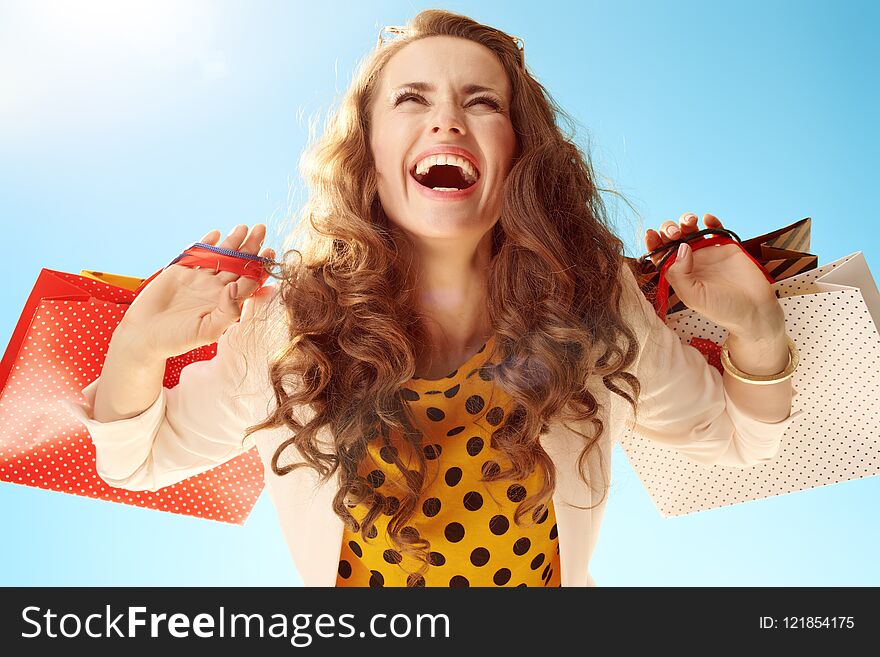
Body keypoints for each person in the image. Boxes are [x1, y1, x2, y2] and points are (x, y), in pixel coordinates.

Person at [63, 9, 801, 587]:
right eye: (410, 99)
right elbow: (138, 461)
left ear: (518, 151)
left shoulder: (593, 304)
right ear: (370, 154)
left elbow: (741, 439)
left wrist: (759, 326)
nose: (446, 119)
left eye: (481, 102)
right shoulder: (287, 327)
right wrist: (136, 347)